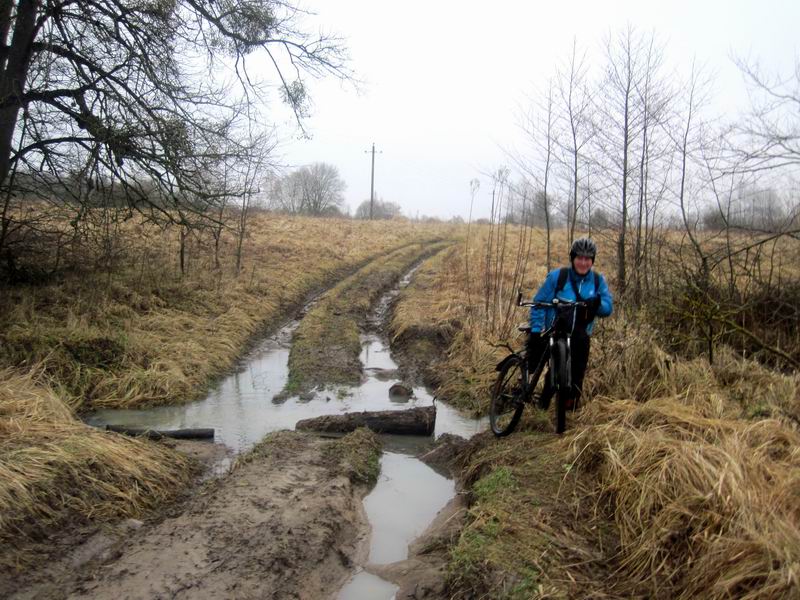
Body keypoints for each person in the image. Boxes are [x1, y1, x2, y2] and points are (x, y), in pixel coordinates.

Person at [527, 237, 613, 410]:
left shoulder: (597, 281)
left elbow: (607, 309)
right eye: (579, 258)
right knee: (556, 372)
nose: (583, 262)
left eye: (587, 258)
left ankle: (569, 411)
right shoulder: (558, 277)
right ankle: (542, 404)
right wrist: (537, 330)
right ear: (573, 258)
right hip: (555, 331)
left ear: (592, 260)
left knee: (577, 376)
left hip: (581, 335)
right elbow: (538, 304)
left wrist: (597, 304)